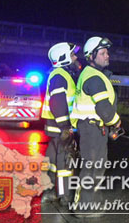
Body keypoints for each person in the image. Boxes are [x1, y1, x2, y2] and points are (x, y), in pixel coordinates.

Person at [70, 37, 120, 217]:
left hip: (93, 128)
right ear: (91, 56)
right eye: (103, 53)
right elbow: (103, 108)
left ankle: (93, 203)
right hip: (91, 129)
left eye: (107, 52)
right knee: (92, 168)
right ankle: (84, 207)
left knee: (96, 167)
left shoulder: (93, 74)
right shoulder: (93, 77)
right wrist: (115, 120)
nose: (108, 56)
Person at [42, 42, 82, 205]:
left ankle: (49, 192)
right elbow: (57, 102)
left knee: (52, 161)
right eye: (72, 55)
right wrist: (66, 127)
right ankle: (65, 197)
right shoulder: (61, 76)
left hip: (54, 129)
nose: (76, 57)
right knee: (65, 163)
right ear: (64, 58)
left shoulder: (59, 75)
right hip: (61, 129)